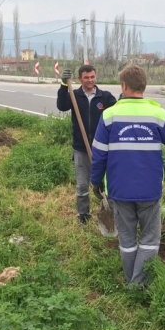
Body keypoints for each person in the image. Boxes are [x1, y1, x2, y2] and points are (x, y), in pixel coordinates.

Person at [90, 65, 165, 285]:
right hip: (149, 190)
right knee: (150, 240)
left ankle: (132, 283)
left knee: (126, 240)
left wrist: (95, 183)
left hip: (119, 189)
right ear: (143, 85)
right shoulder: (158, 113)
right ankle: (138, 285)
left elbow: (99, 155)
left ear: (124, 86)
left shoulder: (109, 115)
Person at [57, 64, 116, 224]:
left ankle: (109, 212)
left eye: (92, 77)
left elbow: (117, 112)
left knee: (106, 184)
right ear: (80, 79)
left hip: (103, 149)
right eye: (86, 78)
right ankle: (83, 215)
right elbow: (61, 106)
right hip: (81, 148)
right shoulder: (74, 95)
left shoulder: (105, 97)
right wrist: (63, 85)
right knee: (82, 186)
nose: (90, 80)